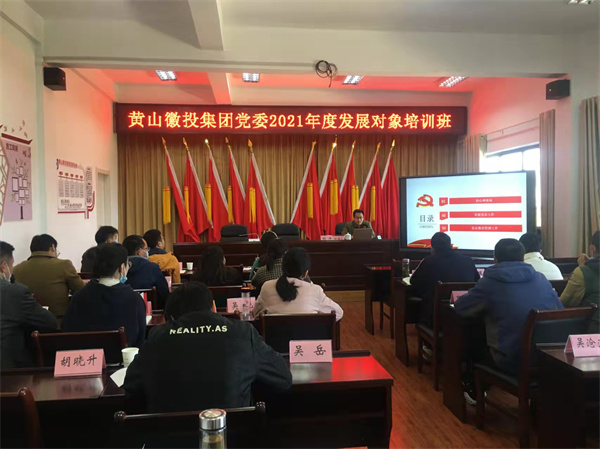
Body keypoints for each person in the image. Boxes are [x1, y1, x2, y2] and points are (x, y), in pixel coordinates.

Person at [123, 282, 292, 412]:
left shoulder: (158, 336)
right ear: (213, 307)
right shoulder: (243, 332)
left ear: (171, 317)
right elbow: (283, 379)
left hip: (169, 440)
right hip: (232, 438)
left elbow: (131, 386)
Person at [454, 238, 562, 404]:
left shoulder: (490, 281)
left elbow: (461, 308)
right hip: (547, 357)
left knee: (473, 336)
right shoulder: (541, 278)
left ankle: (474, 388)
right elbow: (559, 309)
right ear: (523, 258)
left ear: (495, 259)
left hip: (511, 359)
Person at [62, 243, 146, 348]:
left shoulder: (79, 296)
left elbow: (68, 331)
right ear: (121, 268)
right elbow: (140, 339)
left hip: (86, 356)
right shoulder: (134, 299)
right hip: (123, 357)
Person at [0, 241, 58, 369]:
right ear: (4, 267)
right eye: (12, 265)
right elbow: (50, 322)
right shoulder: (14, 292)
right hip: (9, 371)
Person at [410, 232, 480, 327]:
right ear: (450, 245)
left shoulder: (428, 261)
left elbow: (414, 283)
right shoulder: (468, 261)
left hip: (436, 318)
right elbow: (476, 282)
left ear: (432, 248)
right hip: (467, 315)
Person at [254, 247, 343, 321]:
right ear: (305, 273)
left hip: (273, 337)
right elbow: (338, 313)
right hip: (308, 337)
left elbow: (256, 314)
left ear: (283, 268)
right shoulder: (315, 290)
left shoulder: (267, 287)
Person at [13, 234, 85, 317]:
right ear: (53, 247)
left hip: (26, 322)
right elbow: (81, 291)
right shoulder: (64, 265)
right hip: (58, 320)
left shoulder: (17, 269)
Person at [560, 230, 599, 331]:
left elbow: (565, 302)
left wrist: (582, 269)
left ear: (592, 248)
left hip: (593, 333)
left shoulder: (583, 272)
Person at [122, 235, 169, 309]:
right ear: (139, 252)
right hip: (151, 310)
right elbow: (164, 293)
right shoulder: (153, 267)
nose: (148, 252)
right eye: (146, 249)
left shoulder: (118, 268)